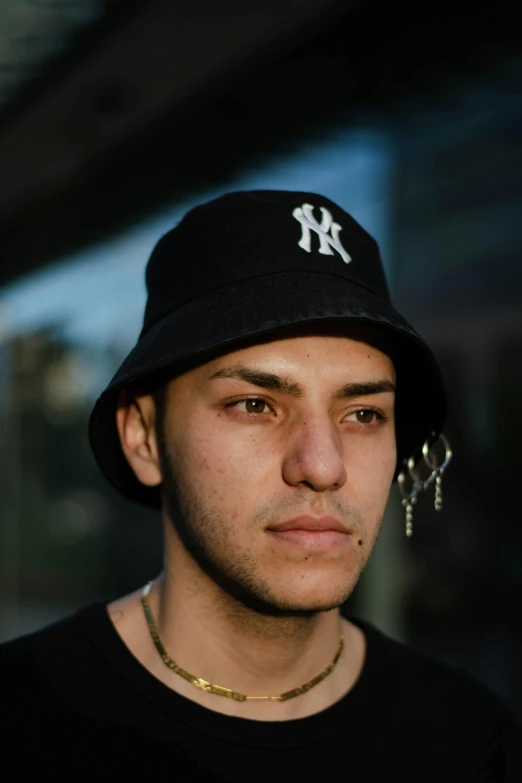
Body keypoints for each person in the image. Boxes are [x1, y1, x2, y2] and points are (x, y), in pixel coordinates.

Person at [0, 191, 520, 782]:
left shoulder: (467, 741)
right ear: (144, 437)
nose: (323, 466)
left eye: (364, 414)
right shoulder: (22, 723)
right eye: (255, 404)